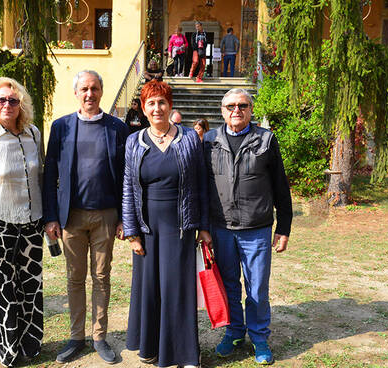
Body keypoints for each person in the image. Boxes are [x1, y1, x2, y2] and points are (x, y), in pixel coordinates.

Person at [42, 70, 129, 364]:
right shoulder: (62, 127)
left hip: (106, 216)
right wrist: (51, 216)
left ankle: (99, 336)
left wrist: (123, 217)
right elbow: (50, 173)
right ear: (76, 93)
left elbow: (126, 177)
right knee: (74, 278)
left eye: (94, 88)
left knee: (102, 278)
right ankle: (76, 336)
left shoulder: (117, 128)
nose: (89, 94)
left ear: (101, 92)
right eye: (84, 89)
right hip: (71, 218)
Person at [122, 80, 211, 368]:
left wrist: (204, 225)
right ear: (144, 109)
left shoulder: (188, 139)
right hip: (147, 227)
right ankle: (149, 346)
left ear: (170, 106)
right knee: (149, 286)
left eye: (162, 102)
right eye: (151, 103)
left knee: (177, 287)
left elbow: (201, 184)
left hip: (180, 224)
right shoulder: (133, 141)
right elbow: (128, 187)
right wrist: (132, 232)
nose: (157, 108)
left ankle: (185, 353)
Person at [203, 88, 293, 365]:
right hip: (221, 228)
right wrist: (203, 227)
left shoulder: (265, 140)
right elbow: (203, 188)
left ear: (251, 110)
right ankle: (234, 331)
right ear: (222, 110)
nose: (236, 111)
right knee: (229, 284)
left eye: (243, 106)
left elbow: (280, 185)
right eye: (230, 106)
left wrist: (284, 226)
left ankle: (259, 337)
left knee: (257, 288)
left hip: (257, 228)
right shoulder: (209, 141)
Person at [0, 77, 44, 367]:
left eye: (13, 100)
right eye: (1, 100)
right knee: (3, 289)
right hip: (0, 225)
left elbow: (41, 176)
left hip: (33, 224)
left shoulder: (34, 134)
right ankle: (8, 350)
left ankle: (31, 345)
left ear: (21, 105)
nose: (7, 105)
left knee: (30, 287)